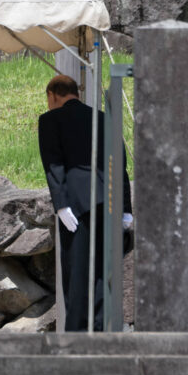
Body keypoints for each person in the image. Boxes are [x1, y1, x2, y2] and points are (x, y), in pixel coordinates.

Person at [37, 74, 132, 332]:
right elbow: (119, 164)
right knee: (104, 274)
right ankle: (102, 333)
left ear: (52, 95)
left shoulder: (50, 120)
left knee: (77, 276)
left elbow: (53, 164)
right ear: (75, 93)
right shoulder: (104, 118)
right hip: (110, 204)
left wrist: (61, 205)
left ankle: (77, 338)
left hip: (77, 207)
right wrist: (126, 209)